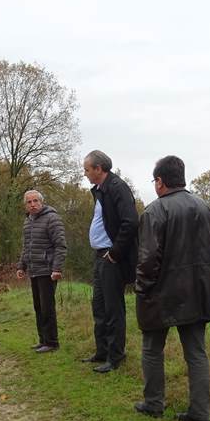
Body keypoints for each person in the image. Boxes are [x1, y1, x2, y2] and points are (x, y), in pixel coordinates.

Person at [133, 155, 210, 421]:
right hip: (199, 291)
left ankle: (153, 404)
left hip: (161, 294)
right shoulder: (205, 207)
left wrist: (142, 288)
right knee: (196, 353)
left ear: (160, 181)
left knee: (152, 348)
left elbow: (148, 259)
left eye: (154, 180)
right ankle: (200, 413)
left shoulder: (154, 211)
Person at [81, 150, 139, 373]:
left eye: (87, 169)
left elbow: (131, 222)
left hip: (112, 257)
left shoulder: (117, 188)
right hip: (100, 256)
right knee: (99, 306)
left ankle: (116, 357)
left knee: (114, 308)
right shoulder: (100, 191)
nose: (85, 174)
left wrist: (115, 253)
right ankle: (102, 351)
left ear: (98, 169)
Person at [16, 189, 67, 353]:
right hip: (34, 269)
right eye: (29, 202)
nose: (32, 204)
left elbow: (61, 246)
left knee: (47, 308)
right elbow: (26, 246)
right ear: (26, 205)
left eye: (35, 201)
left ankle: (52, 342)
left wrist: (57, 268)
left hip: (48, 270)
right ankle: (43, 340)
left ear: (41, 201)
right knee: (38, 307)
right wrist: (21, 266)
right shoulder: (28, 221)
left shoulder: (52, 218)